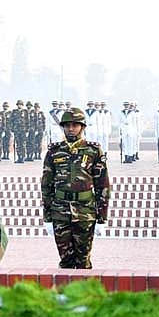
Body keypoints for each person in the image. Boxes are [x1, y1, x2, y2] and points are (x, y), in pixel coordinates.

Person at [41, 107, 110, 269]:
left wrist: (102, 218)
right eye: (67, 125)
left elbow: (103, 185)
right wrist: (47, 217)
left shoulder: (93, 150)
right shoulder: (54, 151)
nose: (71, 129)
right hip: (60, 211)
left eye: (75, 125)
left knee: (83, 261)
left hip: (85, 212)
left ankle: (83, 293)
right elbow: (46, 186)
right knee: (65, 261)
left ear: (82, 127)